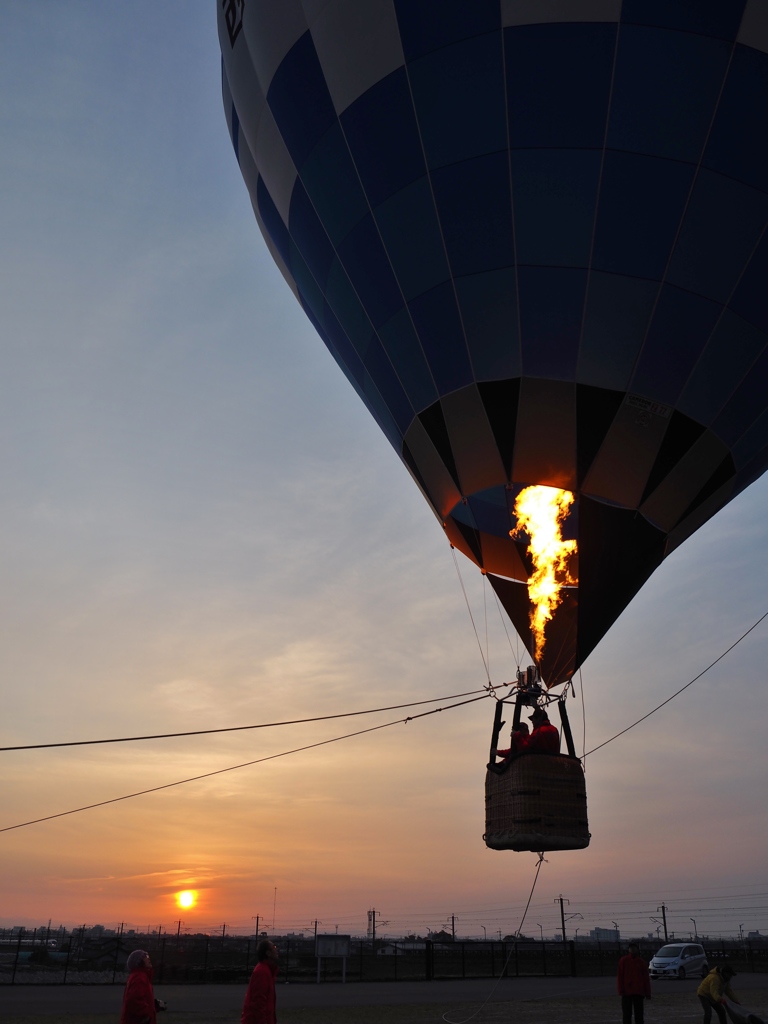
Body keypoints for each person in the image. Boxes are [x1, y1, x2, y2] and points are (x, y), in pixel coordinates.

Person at [242, 939, 279, 1024]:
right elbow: (258, 1003)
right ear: (268, 953)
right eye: (274, 947)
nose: (276, 950)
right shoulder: (262, 972)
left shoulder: (267, 971)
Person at [617, 942, 651, 1024]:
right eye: (631, 948)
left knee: (639, 1015)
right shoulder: (623, 961)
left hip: (638, 992)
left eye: (634, 948)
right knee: (626, 1015)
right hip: (626, 992)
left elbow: (646, 978)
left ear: (637, 950)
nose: (632, 950)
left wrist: (647, 993)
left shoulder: (641, 962)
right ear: (628, 950)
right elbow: (620, 976)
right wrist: (620, 990)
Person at [120, 950, 156, 1024]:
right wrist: (147, 1014)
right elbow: (134, 1000)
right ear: (139, 962)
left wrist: (155, 1005)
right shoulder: (139, 977)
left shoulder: (140, 976)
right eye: (146, 957)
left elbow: (141, 998)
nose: (149, 959)